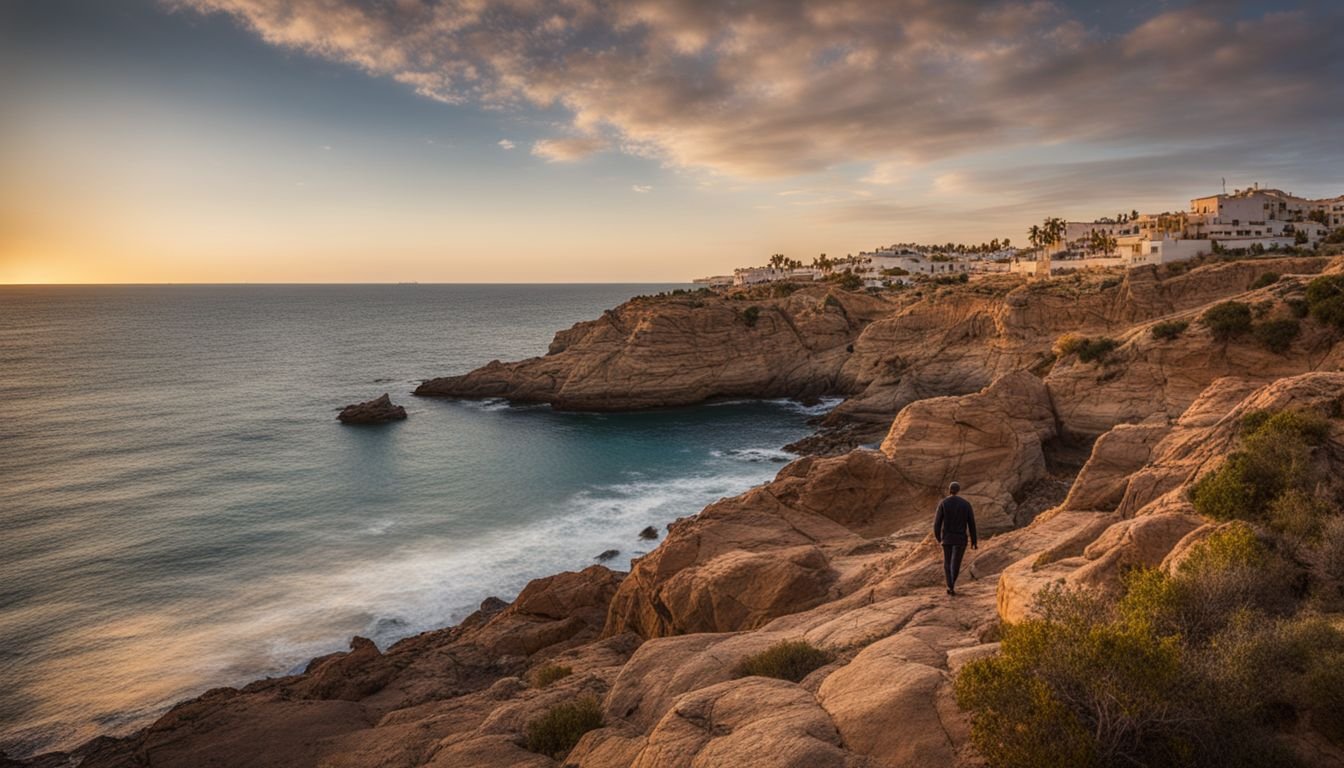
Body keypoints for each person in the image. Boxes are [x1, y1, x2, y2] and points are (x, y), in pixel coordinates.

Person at [933, 481, 977, 596]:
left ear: (949, 490)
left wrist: (938, 538)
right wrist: (974, 541)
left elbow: (937, 523)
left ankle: (950, 585)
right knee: (956, 563)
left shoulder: (943, 503)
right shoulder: (965, 504)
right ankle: (951, 585)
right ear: (958, 490)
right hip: (960, 539)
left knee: (947, 563)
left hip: (947, 539)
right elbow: (971, 523)